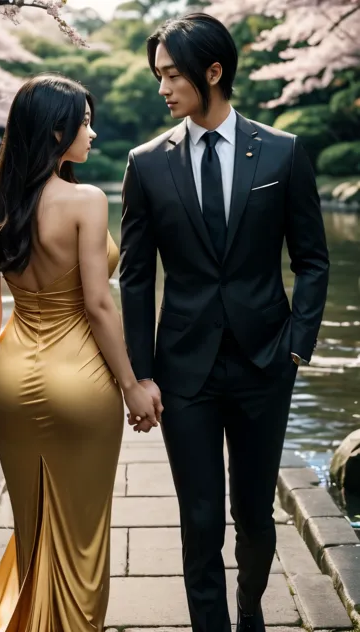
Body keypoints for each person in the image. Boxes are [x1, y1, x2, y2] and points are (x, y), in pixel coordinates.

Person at [120, 13, 329, 632]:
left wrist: (298, 344)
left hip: (267, 362)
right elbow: (134, 277)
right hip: (184, 371)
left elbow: (313, 260)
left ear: (214, 72)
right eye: (158, 75)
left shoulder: (284, 152)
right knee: (201, 516)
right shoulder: (147, 163)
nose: (163, 89)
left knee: (256, 515)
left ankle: (250, 610)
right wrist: (141, 374)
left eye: (173, 75)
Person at [0, 73, 162, 632]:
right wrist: (133, 385)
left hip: (12, 374)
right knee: (84, 533)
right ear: (55, 130)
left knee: (33, 527)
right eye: (84, 122)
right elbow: (98, 304)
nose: (91, 133)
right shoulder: (86, 201)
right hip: (81, 379)